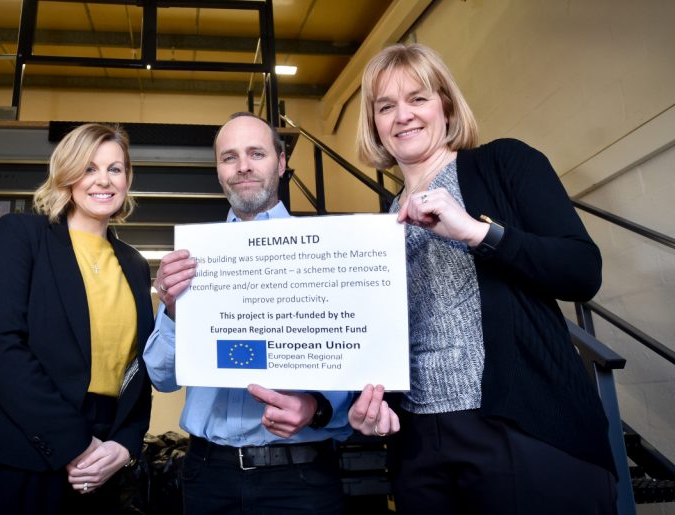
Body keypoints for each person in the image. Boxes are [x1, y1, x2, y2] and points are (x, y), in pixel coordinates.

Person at [347, 44, 617, 514]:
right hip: (419, 444)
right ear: (374, 124)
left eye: (418, 98)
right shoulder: (380, 225)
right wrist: (370, 399)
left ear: (446, 106)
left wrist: (477, 232)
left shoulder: (504, 163)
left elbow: (582, 271)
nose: (403, 116)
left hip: (522, 429)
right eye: (385, 106)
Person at [143, 112, 353, 514]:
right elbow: (162, 378)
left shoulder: (328, 253)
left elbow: (357, 363)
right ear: (218, 170)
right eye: (229, 157)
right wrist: (173, 311)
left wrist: (318, 407)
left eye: (256, 153)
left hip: (300, 480)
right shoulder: (193, 261)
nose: (243, 166)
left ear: (282, 162)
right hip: (208, 476)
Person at [0, 123, 154, 515]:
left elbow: (138, 367)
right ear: (66, 173)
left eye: (115, 169)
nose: (104, 180)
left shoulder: (134, 264)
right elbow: (2, 348)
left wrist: (125, 444)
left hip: (102, 454)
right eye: (89, 168)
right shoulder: (20, 234)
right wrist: (75, 443)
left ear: (128, 179)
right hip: (19, 449)